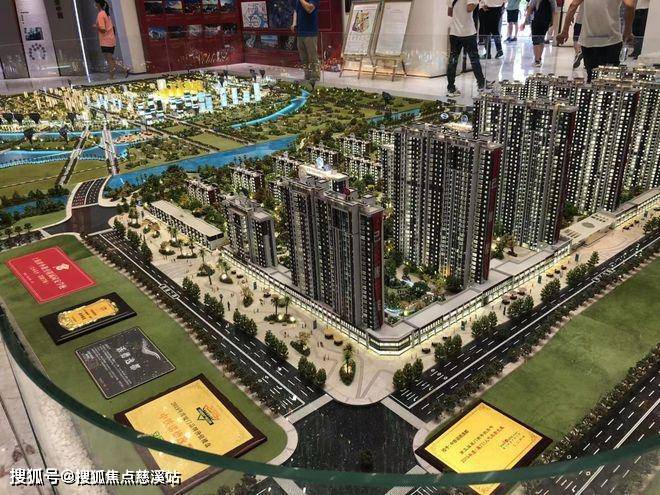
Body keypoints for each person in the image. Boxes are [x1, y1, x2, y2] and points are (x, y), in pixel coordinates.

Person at [558, 0, 635, 82]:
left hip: (589, 39)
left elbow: (573, 6)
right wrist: (628, 31)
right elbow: (630, 6)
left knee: (591, 77)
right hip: (611, 39)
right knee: (609, 79)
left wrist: (564, 31)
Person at [446, 0, 486, 96]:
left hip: (454, 32)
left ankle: (450, 87)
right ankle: (481, 84)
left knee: (453, 59)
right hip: (468, 32)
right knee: (474, 59)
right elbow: (469, 8)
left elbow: (449, 13)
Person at [93, 0, 129, 79]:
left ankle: (112, 76)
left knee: (109, 59)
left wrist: (96, 26)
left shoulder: (101, 14)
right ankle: (125, 69)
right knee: (110, 58)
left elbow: (103, 29)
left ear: (98, 4)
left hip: (105, 41)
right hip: (110, 39)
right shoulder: (106, 14)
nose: (94, 4)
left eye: (95, 3)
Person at [291, 0, 320, 86]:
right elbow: (296, 11)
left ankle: (315, 78)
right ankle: (307, 76)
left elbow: (309, 9)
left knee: (312, 57)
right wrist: (294, 23)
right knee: (303, 57)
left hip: (310, 32)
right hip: (300, 32)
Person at [521, 0, 556, 67]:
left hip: (535, 20)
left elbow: (530, 8)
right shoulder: (552, 0)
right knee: (541, 39)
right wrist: (553, 23)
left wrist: (525, 22)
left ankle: (537, 61)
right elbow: (554, 11)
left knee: (536, 41)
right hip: (546, 21)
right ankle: (539, 57)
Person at [572, 4, 583, 68]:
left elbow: (574, 5)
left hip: (579, 20)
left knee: (576, 39)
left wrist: (571, 15)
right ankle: (585, 62)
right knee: (587, 41)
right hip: (590, 22)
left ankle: (577, 54)